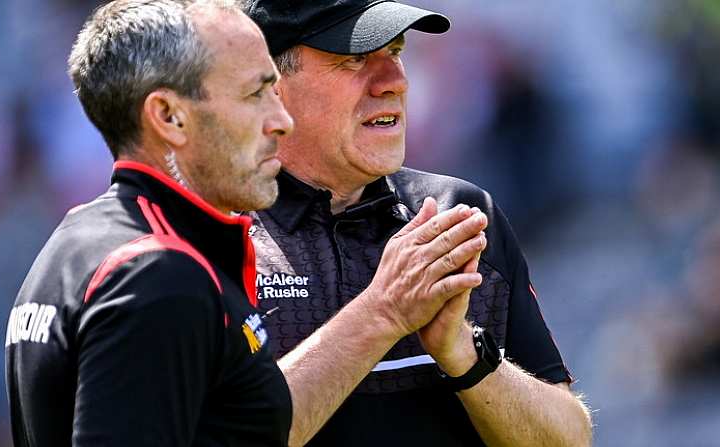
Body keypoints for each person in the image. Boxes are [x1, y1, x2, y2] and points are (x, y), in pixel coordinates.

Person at [4, 1, 488, 445]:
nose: (280, 121)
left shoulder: (74, 242)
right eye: (256, 95)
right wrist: (385, 312)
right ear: (169, 116)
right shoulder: (157, 275)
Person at [243, 0, 594, 445]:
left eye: (395, 51)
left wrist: (466, 354)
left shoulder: (459, 215)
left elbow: (569, 440)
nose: (395, 81)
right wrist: (383, 312)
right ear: (272, 85)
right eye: (354, 59)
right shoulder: (206, 233)